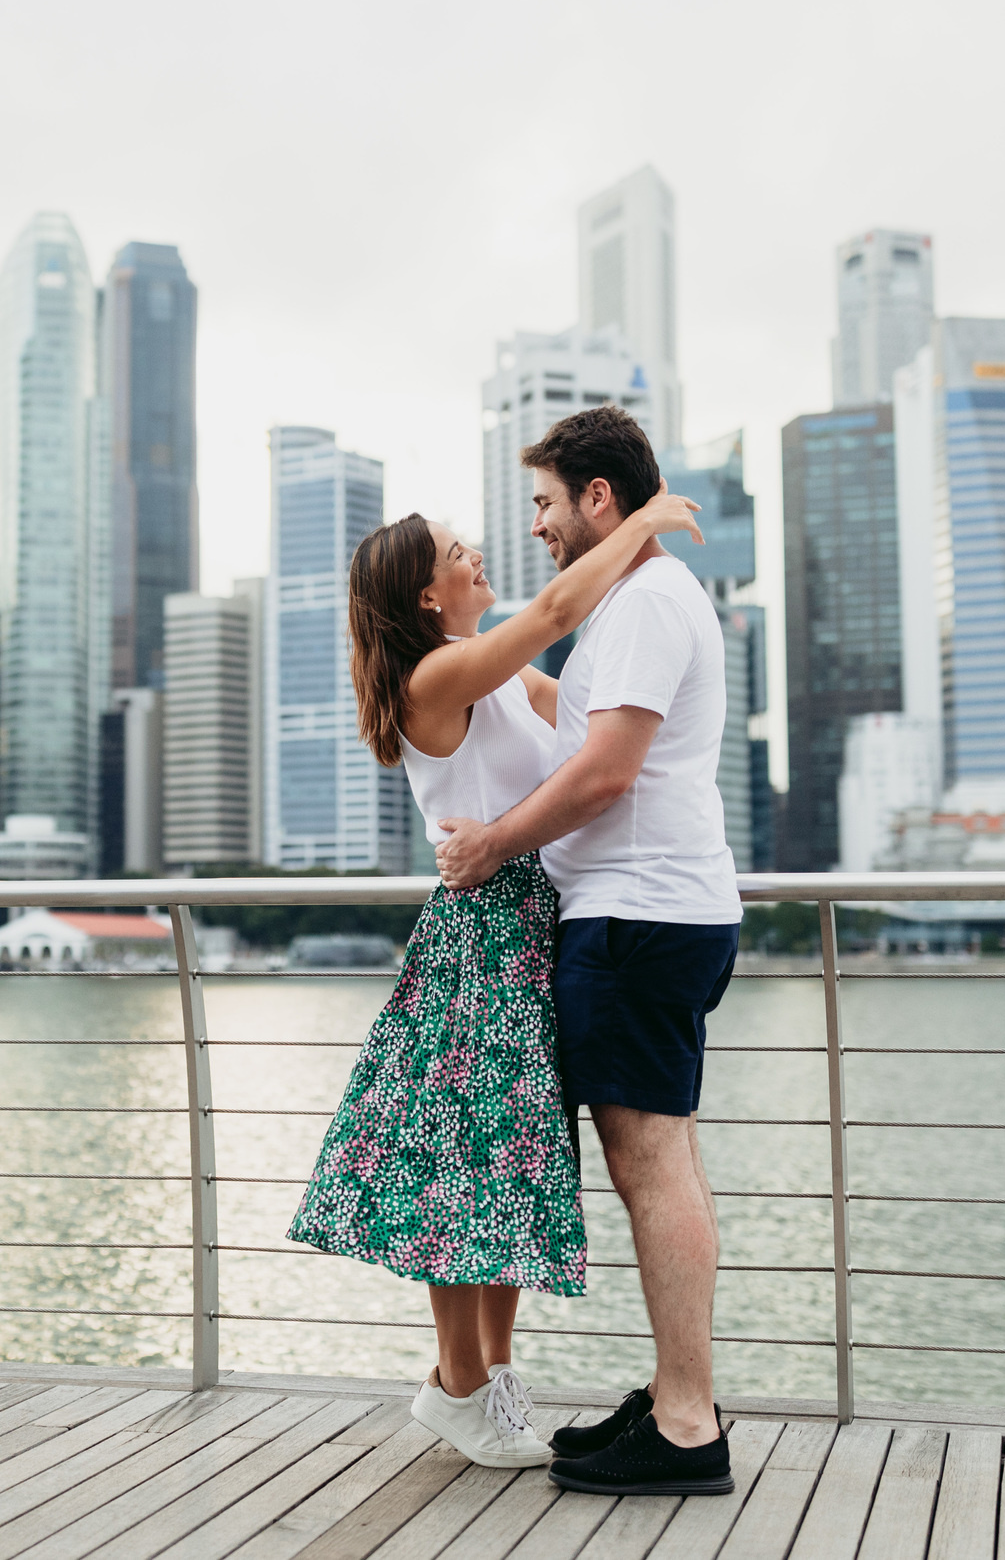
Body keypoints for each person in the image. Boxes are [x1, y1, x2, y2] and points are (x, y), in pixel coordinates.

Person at [286, 482, 704, 1470]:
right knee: (464, 1169)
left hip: (534, 927)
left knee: (511, 1165)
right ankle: (459, 1384)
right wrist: (641, 523)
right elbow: (557, 614)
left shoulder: (503, 682)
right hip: (480, 939)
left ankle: (487, 1382)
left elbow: (599, 734)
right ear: (428, 596)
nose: (479, 557)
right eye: (459, 551)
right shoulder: (437, 679)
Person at [434, 405, 743, 1497]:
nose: (537, 526)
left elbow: (607, 772)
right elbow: (579, 731)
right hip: (643, 912)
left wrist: (490, 845)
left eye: (547, 503)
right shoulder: (625, 606)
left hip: (637, 916)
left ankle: (687, 1421)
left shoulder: (647, 602)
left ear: (597, 501)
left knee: (650, 1163)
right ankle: (674, 1396)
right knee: (653, 1159)